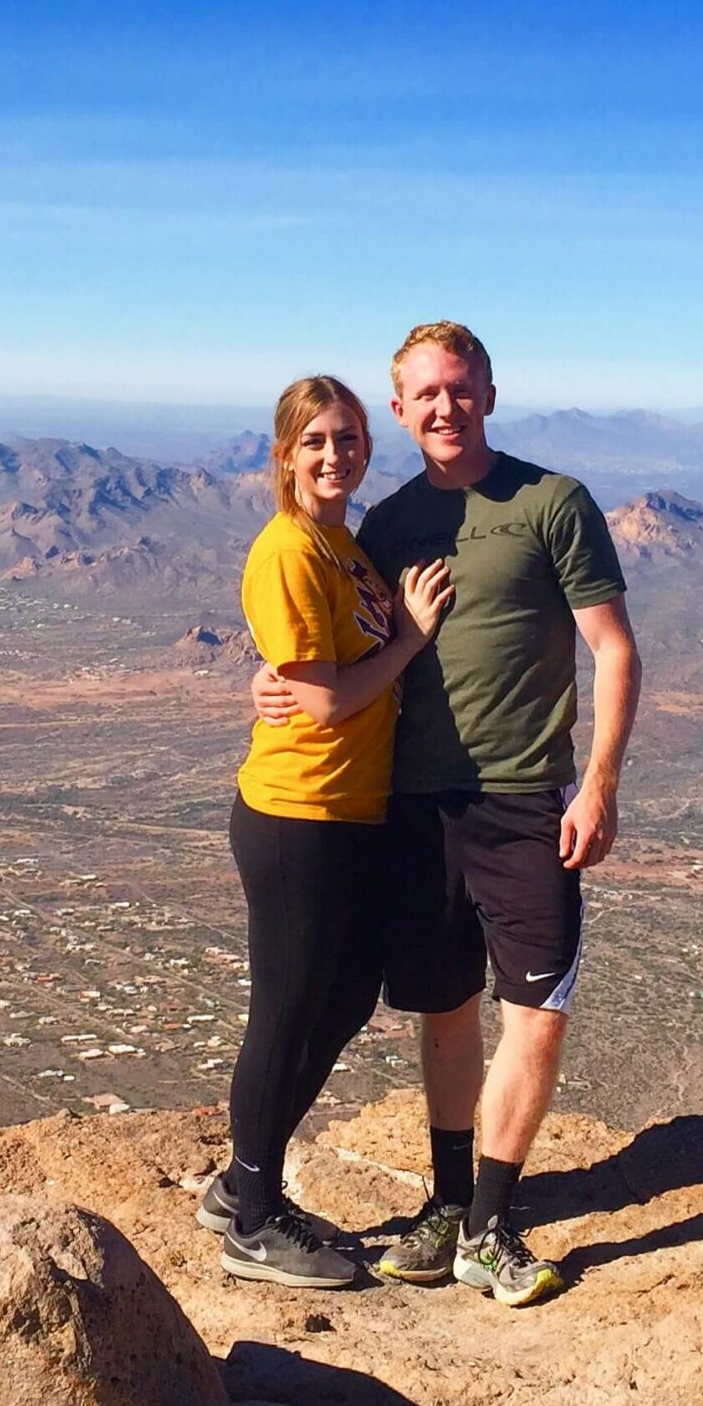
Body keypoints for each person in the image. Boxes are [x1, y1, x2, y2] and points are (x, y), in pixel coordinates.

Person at [254, 321, 642, 1307]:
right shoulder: (381, 527)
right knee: (441, 1007)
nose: (443, 406)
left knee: (537, 1012)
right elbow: (339, 645)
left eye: (459, 389)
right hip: (411, 805)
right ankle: (445, 1201)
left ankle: (486, 1225)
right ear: (399, 409)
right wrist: (276, 682)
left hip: (523, 798)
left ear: (489, 394)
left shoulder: (551, 503)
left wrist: (596, 784)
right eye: (424, 393)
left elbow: (613, 650)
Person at [208, 373, 452, 1287]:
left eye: (347, 438)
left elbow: (312, 677)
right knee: (286, 1005)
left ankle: (243, 1182)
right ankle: (253, 1221)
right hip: (296, 815)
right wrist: (412, 639)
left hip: (349, 812)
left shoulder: (341, 543)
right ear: (284, 455)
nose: (333, 454)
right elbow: (322, 699)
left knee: (345, 997)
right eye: (314, 441)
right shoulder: (288, 551)